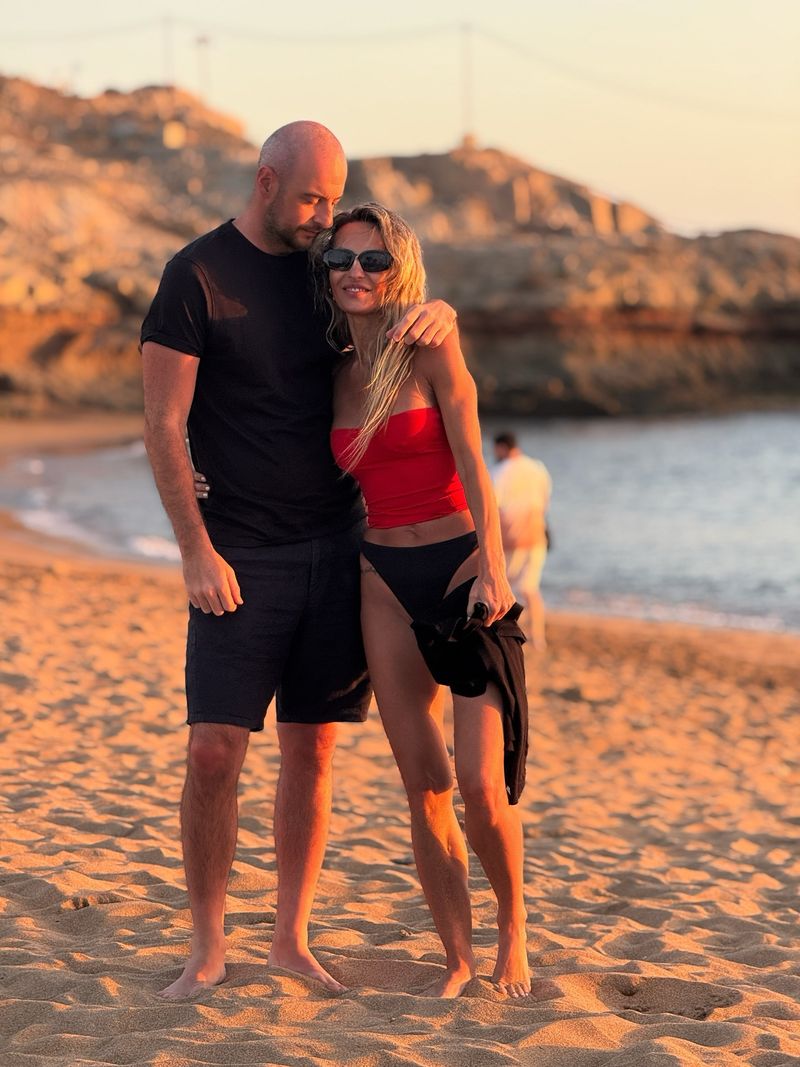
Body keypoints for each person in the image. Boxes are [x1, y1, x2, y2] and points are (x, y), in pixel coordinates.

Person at [140, 122, 456, 1000]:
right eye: (313, 199)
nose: (324, 218)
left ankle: (289, 937)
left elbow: (400, 317)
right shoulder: (196, 275)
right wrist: (195, 550)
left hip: (339, 546)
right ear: (266, 181)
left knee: (312, 747)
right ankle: (208, 945)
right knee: (213, 751)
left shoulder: (331, 275)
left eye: (333, 199)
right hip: (237, 554)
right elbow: (163, 423)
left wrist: (443, 312)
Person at [317, 203, 531, 999]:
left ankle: (513, 926)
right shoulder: (334, 374)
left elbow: (474, 460)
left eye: (373, 261)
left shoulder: (432, 347)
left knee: (479, 783)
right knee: (426, 785)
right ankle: (458, 959)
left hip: (462, 571)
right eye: (341, 259)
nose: (355, 273)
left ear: (398, 269)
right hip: (383, 583)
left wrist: (495, 570)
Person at [492, 432, 552, 650]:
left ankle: (510, 636)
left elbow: (492, 507)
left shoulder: (498, 472)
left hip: (510, 538)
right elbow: (544, 501)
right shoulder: (538, 468)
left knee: (506, 589)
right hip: (536, 535)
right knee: (531, 588)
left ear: (501, 447)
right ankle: (538, 638)